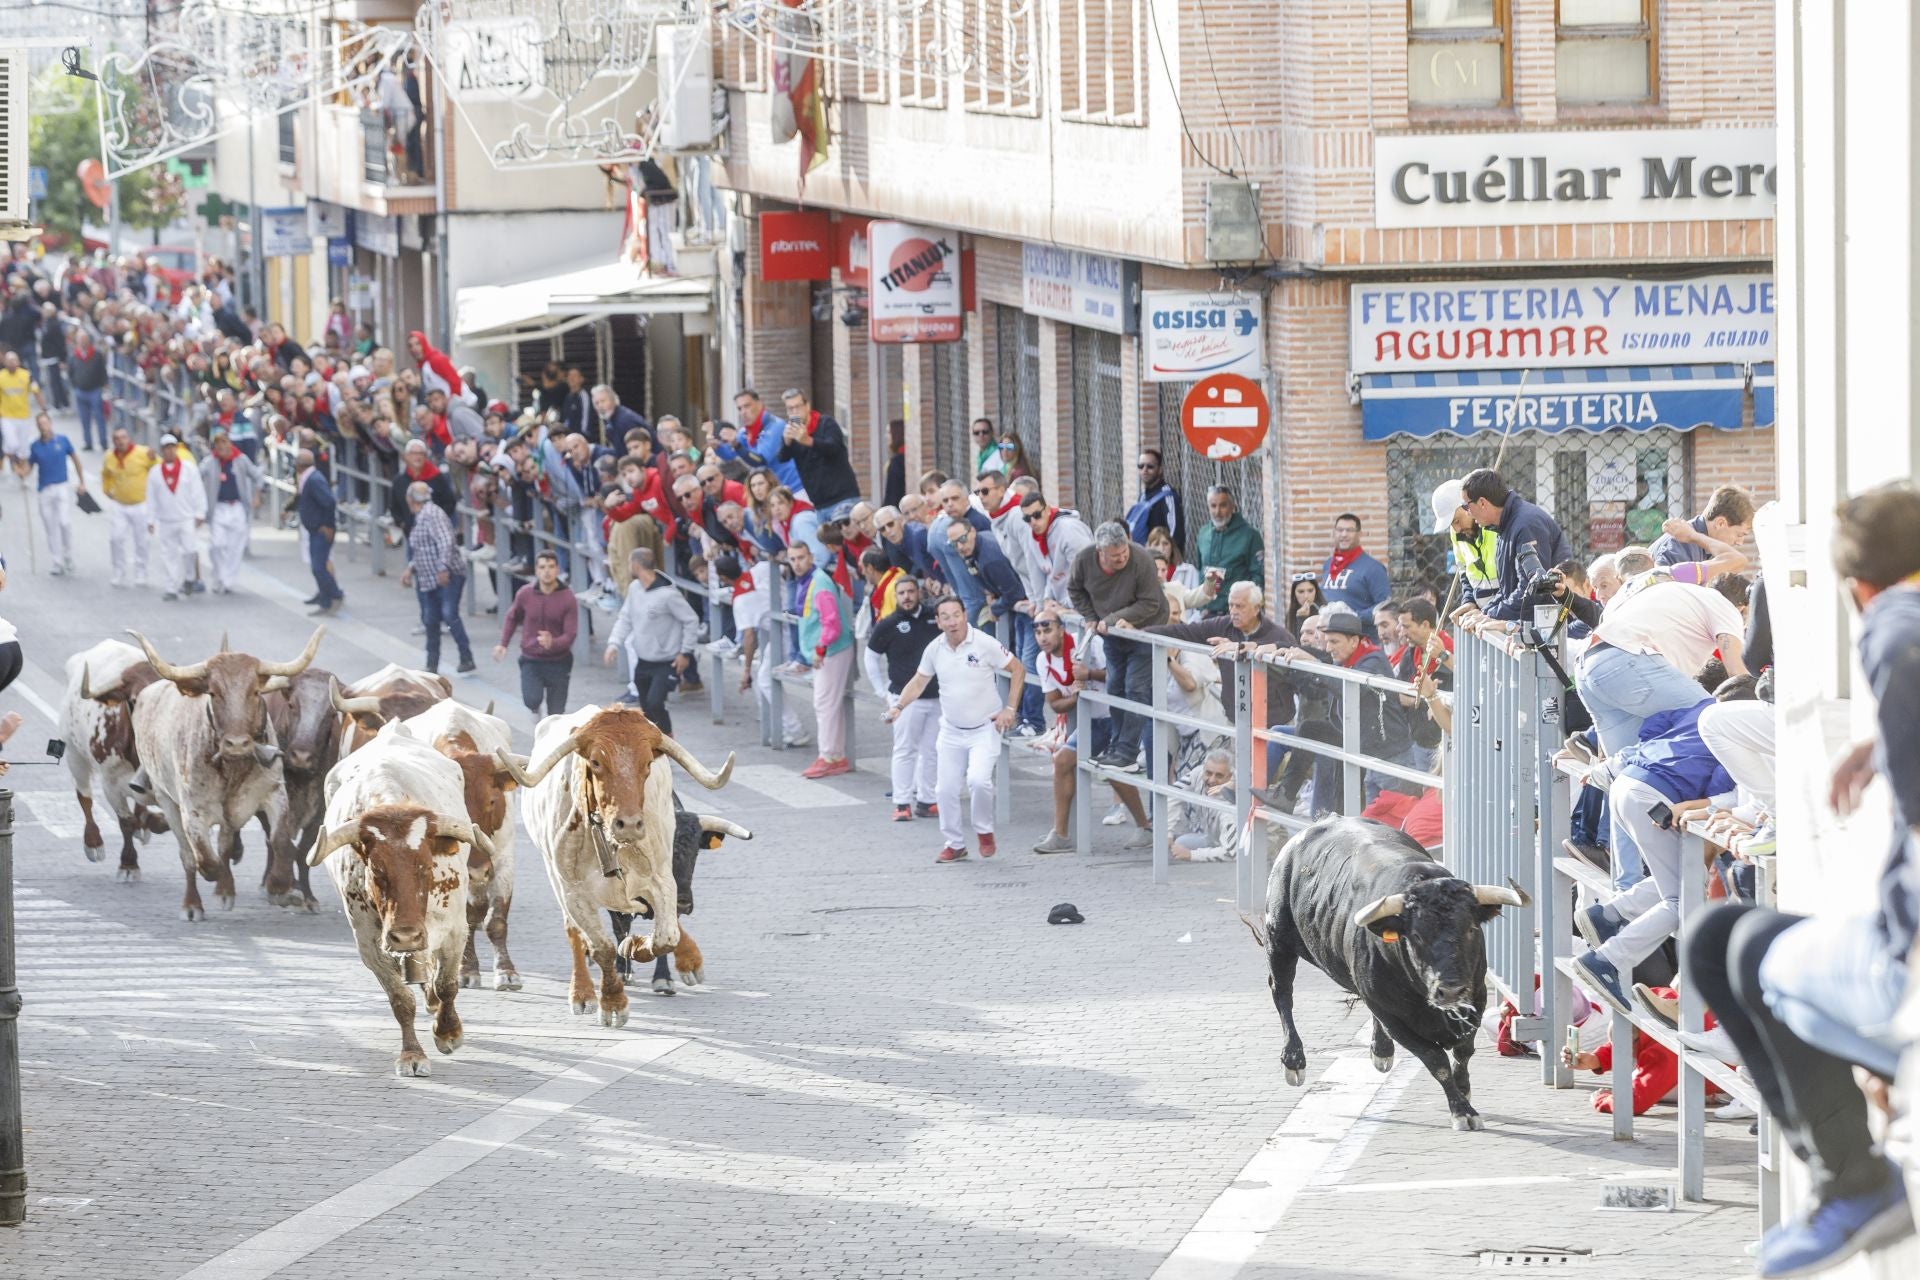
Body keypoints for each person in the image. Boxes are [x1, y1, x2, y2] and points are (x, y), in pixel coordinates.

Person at [1684, 484, 1920, 1277]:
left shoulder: (1894, 628)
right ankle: (1846, 1177)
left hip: (1909, 969)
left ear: (1857, 591)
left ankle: (1854, 1182)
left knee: (1742, 952)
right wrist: (1884, 745)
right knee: (1727, 938)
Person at [1570, 679, 1754, 1010]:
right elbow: (1722, 792)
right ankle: (1607, 960)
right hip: (1655, 798)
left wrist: (1604, 769)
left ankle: (1610, 913)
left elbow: (1652, 730)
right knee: (1683, 900)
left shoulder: (1701, 710)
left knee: (1683, 878)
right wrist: (1707, 808)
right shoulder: (1736, 733)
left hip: (1627, 783)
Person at [885, 596, 1026, 863]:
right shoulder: (934, 649)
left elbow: (1017, 669)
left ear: (965, 615)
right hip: (951, 730)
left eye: (956, 615)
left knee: (978, 780)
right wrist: (899, 706)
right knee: (945, 790)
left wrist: (1010, 708)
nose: (952, 622)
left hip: (985, 727)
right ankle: (955, 843)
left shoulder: (984, 643)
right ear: (938, 622)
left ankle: (984, 831)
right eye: (945, 617)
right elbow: (918, 681)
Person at [1575, 575, 1749, 755]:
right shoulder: (1725, 607)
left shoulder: (1680, 592)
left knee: (1625, 767)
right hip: (1626, 659)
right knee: (1714, 721)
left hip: (1587, 664)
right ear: (1743, 607)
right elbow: (1738, 675)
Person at [1029, 610, 1148, 854]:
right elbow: (1054, 704)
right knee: (1062, 761)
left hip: (1114, 717)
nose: (1043, 637)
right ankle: (1061, 834)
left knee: (1113, 770)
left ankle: (1145, 827)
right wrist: (1075, 695)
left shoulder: (1088, 643)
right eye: (1038, 632)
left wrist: (1089, 675)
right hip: (1091, 723)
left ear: (1061, 629)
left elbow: (1119, 675)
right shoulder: (1044, 661)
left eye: (1048, 630)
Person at [1068, 523, 1169, 772]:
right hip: (1111, 633)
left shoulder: (1141, 559)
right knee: (1114, 686)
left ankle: (1128, 752)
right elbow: (1075, 590)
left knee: (1136, 688)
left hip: (1144, 630)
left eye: (1124, 552)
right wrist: (1091, 616)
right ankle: (1116, 746)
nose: (1122, 558)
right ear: (1100, 553)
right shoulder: (1084, 560)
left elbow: (1151, 603)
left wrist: (1111, 619)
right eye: (1115, 556)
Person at [1148, 581, 1299, 731]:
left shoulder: (1280, 636)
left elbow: (1299, 674)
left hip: (1275, 723)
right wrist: (1139, 631)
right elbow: (1183, 632)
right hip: (1236, 721)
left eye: (1239, 606)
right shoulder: (1223, 626)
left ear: (1256, 608)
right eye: (1230, 605)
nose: (1233, 611)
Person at [867, 575, 941, 822]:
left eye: (911, 591)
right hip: (904, 699)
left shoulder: (935, 618)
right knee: (905, 750)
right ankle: (902, 803)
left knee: (931, 751)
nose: (907, 597)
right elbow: (870, 657)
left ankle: (927, 800)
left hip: (936, 697)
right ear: (895, 597)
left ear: (919, 593)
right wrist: (882, 691)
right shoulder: (888, 624)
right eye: (902, 593)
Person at [715, 553, 809, 749]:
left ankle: (794, 729)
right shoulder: (762, 568)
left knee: (765, 680)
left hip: (786, 632)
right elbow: (785, 568)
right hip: (787, 624)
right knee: (762, 679)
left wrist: (746, 669)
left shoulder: (740, 600)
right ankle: (779, 725)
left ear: (723, 577)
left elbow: (749, 637)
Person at [1457, 468, 1574, 622]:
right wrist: (1484, 613)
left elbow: (1532, 591)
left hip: (1554, 627)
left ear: (1482, 503)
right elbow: (1508, 590)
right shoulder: (1505, 526)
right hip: (1536, 625)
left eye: (1466, 506)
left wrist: (1490, 616)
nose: (1468, 513)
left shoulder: (1525, 525)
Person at [604, 547, 698, 731]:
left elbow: (691, 620)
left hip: (667, 662)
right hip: (644, 661)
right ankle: (653, 746)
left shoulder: (669, 595)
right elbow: (625, 618)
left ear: (636, 565)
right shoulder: (635, 588)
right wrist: (613, 643)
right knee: (646, 707)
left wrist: (685, 652)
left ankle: (668, 743)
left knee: (656, 702)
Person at [786, 541, 856, 779]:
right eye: (793, 559)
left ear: (810, 557)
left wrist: (821, 648)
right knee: (829, 704)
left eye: (800, 558)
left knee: (825, 705)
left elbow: (832, 622)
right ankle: (834, 755)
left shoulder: (819, 583)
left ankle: (829, 756)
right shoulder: (811, 580)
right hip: (826, 649)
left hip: (830, 650)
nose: (796, 563)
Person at [402, 480, 475, 674]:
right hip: (428, 579)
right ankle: (432, 663)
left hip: (447, 576)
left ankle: (466, 656)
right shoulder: (421, 517)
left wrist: (443, 568)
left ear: (410, 500)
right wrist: (411, 569)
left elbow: (446, 542)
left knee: (449, 614)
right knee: (430, 620)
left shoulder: (432, 514)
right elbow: (423, 550)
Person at [494, 550, 578, 715]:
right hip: (531, 659)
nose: (547, 571)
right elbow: (512, 617)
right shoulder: (525, 593)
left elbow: (570, 634)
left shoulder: (568, 597)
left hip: (559, 661)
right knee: (531, 699)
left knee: (556, 713)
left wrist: (552, 643)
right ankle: (534, 710)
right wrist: (503, 644)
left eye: (551, 567)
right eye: (542, 567)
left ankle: (550, 737)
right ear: (536, 571)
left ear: (558, 570)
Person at [777, 389, 860, 520]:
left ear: (807, 406)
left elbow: (833, 448)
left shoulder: (826, 423)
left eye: (797, 407)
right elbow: (782, 458)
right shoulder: (792, 431)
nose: (794, 413)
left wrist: (808, 441)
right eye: (790, 409)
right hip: (819, 504)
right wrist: (786, 442)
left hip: (843, 498)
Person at [146, 433, 204, 601]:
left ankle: (189, 578)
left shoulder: (189, 469)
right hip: (166, 520)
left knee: (190, 550)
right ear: (162, 451)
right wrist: (150, 519)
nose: (170, 451)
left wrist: (200, 513)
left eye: (172, 447)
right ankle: (171, 587)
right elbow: (151, 498)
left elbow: (198, 492)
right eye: (167, 448)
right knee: (168, 554)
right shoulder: (155, 472)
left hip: (186, 518)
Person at [98, 427, 158, 589]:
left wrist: (153, 460)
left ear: (128, 438)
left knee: (142, 541)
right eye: (117, 438)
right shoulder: (110, 457)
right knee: (116, 538)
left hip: (140, 504)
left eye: (123, 437)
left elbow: (157, 468)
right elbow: (105, 474)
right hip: (120, 504)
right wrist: (107, 489)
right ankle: (119, 570)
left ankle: (141, 571)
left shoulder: (142, 453)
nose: (121, 441)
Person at [26, 414, 85, 576]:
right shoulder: (35, 446)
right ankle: (57, 561)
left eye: (45, 423)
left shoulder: (63, 440)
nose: (43, 426)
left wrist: (81, 481)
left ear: (50, 423)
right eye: (40, 424)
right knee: (50, 526)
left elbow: (76, 460)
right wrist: (21, 472)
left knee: (65, 522)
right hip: (44, 490)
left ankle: (68, 556)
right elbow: (28, 468)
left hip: (61, 486)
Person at [1192, 487, 1263, 617]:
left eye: (1223, 505)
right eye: (1213, 506)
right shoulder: (1203, 533)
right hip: (1208, 614)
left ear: (1232, 506)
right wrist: (1203, 607)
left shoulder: (1249, 536)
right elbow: (1201, 571)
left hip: (1237, 613)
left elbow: (1258, 577)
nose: (1217, 512)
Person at [1019, 493, 1095, 607]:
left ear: (1047, 510)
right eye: (1027, 518)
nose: (1033, 522)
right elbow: (1050, 573)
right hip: (1061, 606)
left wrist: (1072, 606)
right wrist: (1045, 602)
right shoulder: (1035, 536)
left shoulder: (1069, 530)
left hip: (1083, 608)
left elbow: (1088, 573)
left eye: (1037, 515)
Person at [1650, 484, 1755, 568]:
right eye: (1740, 535)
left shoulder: (1701, 547)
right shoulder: (1680, 545)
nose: (1740, 543)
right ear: (1720, 523)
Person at [1431, 477, 1498, 607]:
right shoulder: (1456, 533)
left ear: (1468, 507)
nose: (1457, 529)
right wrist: (1469, 602)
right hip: (1483, 613)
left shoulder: (1494, 526)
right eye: (1451, 524)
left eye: (1456, 521)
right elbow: (1464, 570)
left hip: (1507, 612)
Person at [1320, 513, 1390, 635]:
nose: (1344, 534)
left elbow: (1384, 606)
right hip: (1329, 637)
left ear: (1359, 534)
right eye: (1340, 530)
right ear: (1334, 533)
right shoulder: (1328, 564)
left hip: (1359, 637)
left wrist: (1354, 616)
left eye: (1350, 530)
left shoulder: (1373, 568)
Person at [294, 447, 343, 615]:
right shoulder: (310, 478)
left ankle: (335, 594)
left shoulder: (314, 480)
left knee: (318, 567)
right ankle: (325, 599)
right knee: (318, 566)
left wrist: (328, 525)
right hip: (315, 529)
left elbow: (329, 502)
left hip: (320, 531)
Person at [1170, 748, 1239, 862]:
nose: (1211, 779)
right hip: (1213, 837)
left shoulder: (1229, 810)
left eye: (1219, 776)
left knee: (1184, 847)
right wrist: (1168, 832)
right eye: (1208, 773)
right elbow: (1172, 793)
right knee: (1180, 843)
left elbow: (1231, 853)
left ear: (1230, 777)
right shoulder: (1198, 772)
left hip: (1242, 846)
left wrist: (1191, 855)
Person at [1, 350, 49, 478]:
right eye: (9, 361)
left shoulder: (27, 375)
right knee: (12, 444)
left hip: (23, 416)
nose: (11, 363)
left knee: (23, 449)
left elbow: (36, 391)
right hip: (7, 416)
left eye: (14, 360)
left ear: (18, 362)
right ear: (4, 362)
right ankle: (13, 461)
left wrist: (43, 407)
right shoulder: (1, 377)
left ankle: (22, 470)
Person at [1125, 449, 1183, 554]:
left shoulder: (1168, 496)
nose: (1145, 470)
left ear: (1160, 469)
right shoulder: (1142, 496)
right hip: (1144, 558)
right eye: (1141, 466)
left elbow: (1175, 534)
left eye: (1150, 466)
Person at [68, 328, 109, 451]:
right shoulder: (73, 356)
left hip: (94, 390)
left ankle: (103, 442)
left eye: (84, 339)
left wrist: (103, 385)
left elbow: (102, 371)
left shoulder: (96, 355)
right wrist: (75, 385)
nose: (82, 342)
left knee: (99, 417)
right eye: (80, 339)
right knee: (84, 419)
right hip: (80, 390)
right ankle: (88, 442)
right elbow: (70, 373)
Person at [1284, 571, 1325, 637]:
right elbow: (1295, 642)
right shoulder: (1291, 614)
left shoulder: (1324, 612)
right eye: (1301, 591)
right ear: (1294, 594)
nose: (1306, 596)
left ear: (1316, 591)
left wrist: (1302, 619)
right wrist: (1300, 618)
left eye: (1310, 590)